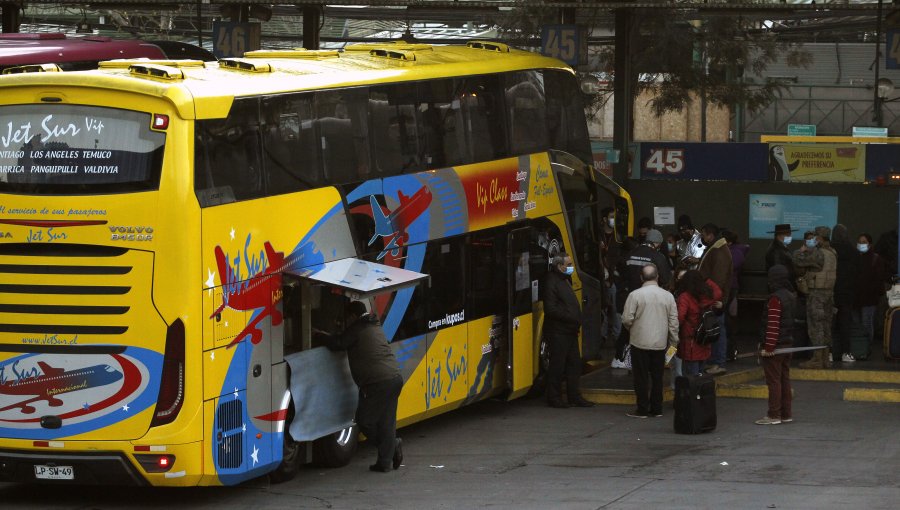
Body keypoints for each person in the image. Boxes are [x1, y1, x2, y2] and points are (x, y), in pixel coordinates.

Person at [327, 301, 403, 472]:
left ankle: (391, 446)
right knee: (386, 422)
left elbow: (338, 343)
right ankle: (384, 462)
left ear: (353, 316)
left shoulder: (358, 328)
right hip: (394, 378)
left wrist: (320, 336)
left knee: (364, 420)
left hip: (379, 382)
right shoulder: (373, 324)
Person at [621, 264, 679, 418]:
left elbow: (627, 319)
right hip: (660, 343)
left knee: (641, 377)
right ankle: (656, 408)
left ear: (641, 277)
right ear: (657, 277)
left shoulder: (635, 295)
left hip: (639, 342)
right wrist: (674, 342)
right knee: (657, 377)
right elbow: (673, 322)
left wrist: (633, 329)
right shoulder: (668, 296)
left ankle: (642, 408)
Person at [542, 252, 594, 408]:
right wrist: (571, 317)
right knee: (558, 365)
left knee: (574, 364)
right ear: (559, 266)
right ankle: (554, 398)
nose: (571, 268)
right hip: (558, 331)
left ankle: (574, 396)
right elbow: (550, 309)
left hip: (569, 330)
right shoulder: (552, 281)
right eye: (569, 265)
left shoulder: (564, 279)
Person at [756, 264, 796, 425]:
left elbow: (773, 324)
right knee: (784, 380)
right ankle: (786, 414)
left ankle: (773, 415)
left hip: (776, 347)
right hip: (788, 344)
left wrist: (768, 348)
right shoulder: (791, 296)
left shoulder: (775, 299)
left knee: (773, 382)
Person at [794, 226, 837, 369]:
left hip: (816, 294)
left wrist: (801, 251)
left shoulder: (818, 254)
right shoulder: (833, 252)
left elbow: (798, 261)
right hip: (829, 294)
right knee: (826, 326)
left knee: (815, 326)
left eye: (815, 237)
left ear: (819, 238)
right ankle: (825, 358)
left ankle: (817, 359)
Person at [697, 223, 733, 375]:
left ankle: (718, 363)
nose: (703, 239)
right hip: (714, 298)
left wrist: (714, 301)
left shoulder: (718, 252)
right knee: (714, 330)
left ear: (710, 235)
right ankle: (714, 362)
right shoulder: (718, 249)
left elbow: (717, 280)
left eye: (704, 235)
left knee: (716, 330)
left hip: (713, 299)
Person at [676, 270, 723, 377]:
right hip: (704, 340)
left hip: (689, 342)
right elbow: (719, 292)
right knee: (700, 374)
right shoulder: (709, 294)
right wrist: (706, 279)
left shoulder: (685, 297)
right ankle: (699, 393)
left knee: (689, 377)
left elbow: (680, 318)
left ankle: (692, 393)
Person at [855, 233, 890, 357]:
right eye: (859, 241)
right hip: (857, 298)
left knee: (867, 322)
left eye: (864, 242)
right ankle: (860, 347)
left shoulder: (876, 259)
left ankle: (867, 347)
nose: (861, 244)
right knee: (859, 324)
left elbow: (879, 279)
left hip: (870, 298)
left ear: (870, 244)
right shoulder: (856, 258)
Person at [831, 224, 859, 363]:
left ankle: (828, 352)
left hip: (831, 292)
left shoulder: (829, 250)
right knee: (845, 324)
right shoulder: (853, 251)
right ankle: (845, 352)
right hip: (847, 293)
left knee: (829, 324)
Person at [724, 230, 750, 359]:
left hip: (729, 289)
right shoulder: (737, 252)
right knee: (729, 319)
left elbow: (728, 268)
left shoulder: (734, 253)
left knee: (728, 321)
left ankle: (729, 351)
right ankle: (729, 351)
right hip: (731, 288)